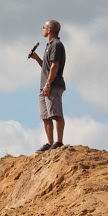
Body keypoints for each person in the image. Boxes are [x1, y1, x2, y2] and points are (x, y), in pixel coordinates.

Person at [28, 19, 67, 154]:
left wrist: (48, 84)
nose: (43, 29)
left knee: (55, 113)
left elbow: (55, 66)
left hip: (52, 85)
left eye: (44, 27)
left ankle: (59, 142)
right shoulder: (49, 45)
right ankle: (50, 143)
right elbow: (47, 67)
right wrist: (37, 58)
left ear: (49, 30)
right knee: (46, 116)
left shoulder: (56, 45)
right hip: (45, 85)